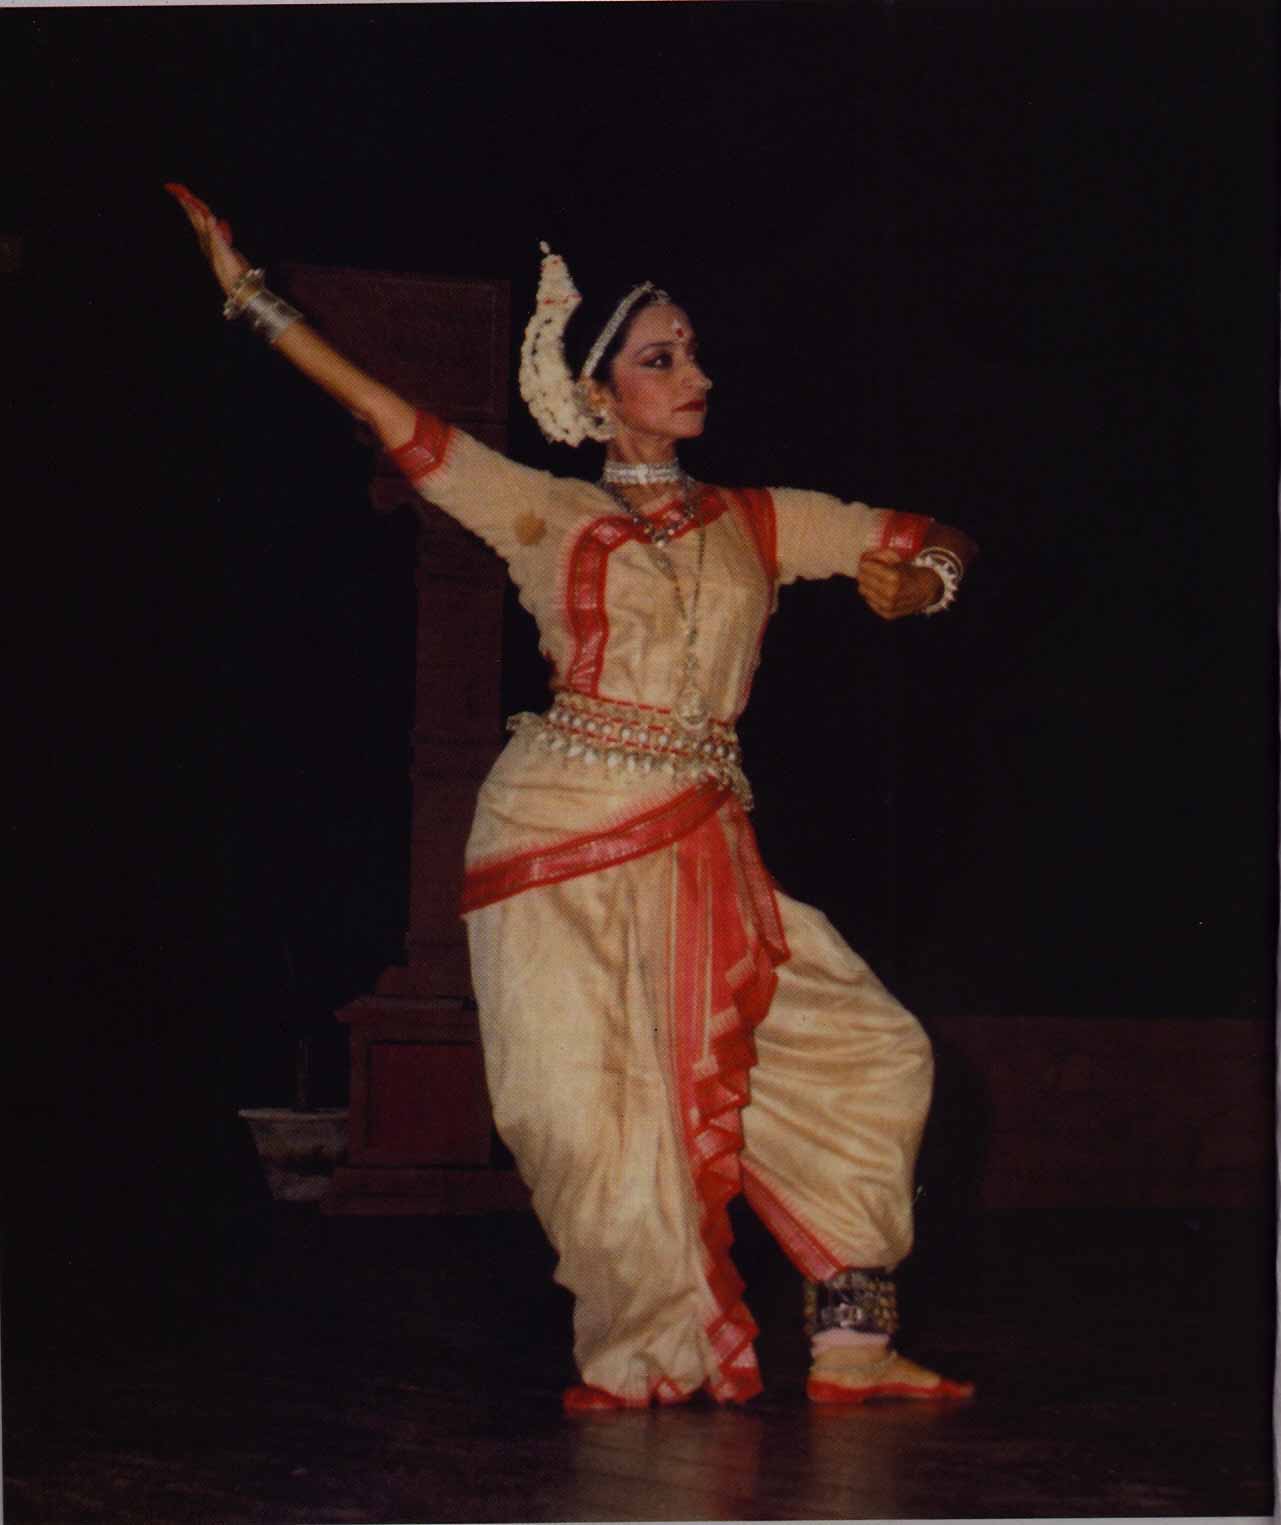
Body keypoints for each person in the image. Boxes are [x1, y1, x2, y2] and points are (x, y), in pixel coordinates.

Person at [168, 183, 978, 1411]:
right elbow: (399, 421)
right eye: (663, 357)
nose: (695, 370)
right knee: (579, 1108)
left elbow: (929, 535)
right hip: (559, 835)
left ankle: (855, 1340)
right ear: (602, 393)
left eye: (694, 349)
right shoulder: (548, 511)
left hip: (703, 837)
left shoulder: (760, 523)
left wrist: (925, 581)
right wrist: (255, 304)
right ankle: (647, 1348)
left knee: (870, 1050)